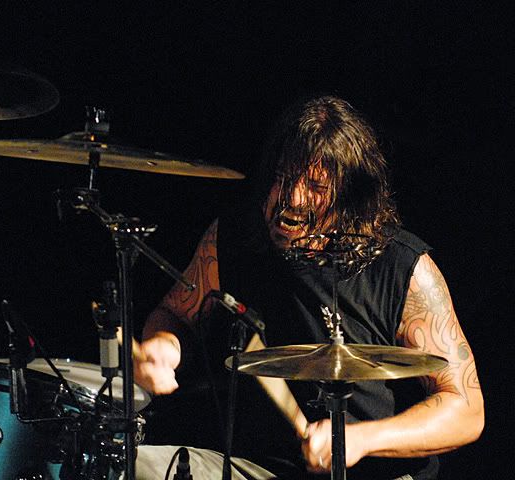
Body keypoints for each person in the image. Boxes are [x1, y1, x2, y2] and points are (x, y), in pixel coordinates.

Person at [134, 96, 484, 479]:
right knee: (137, 466)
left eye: (316, 186)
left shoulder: (403, 268)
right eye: (284, 177)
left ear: (351, 197)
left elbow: (465, 409)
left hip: (377, 473)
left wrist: (361, 440)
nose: (294, 199)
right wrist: (163, 347)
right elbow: (175, 314)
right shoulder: (234, 240)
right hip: (258, 467)